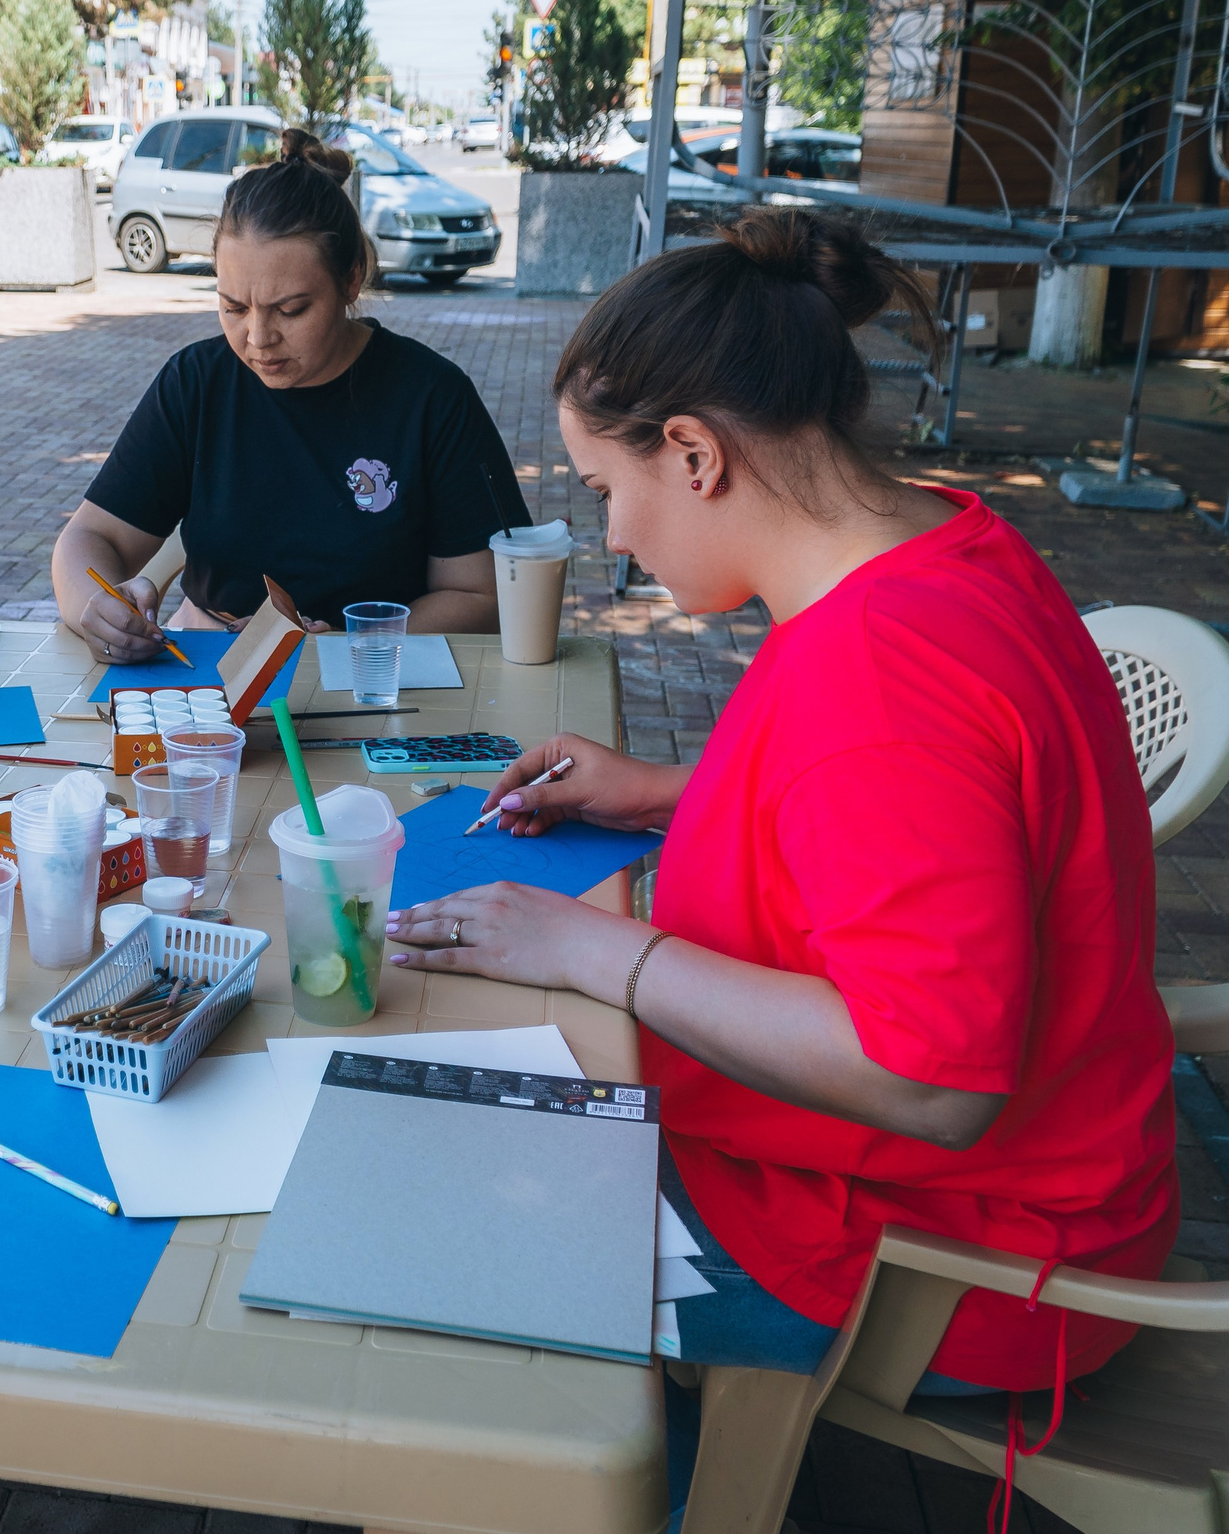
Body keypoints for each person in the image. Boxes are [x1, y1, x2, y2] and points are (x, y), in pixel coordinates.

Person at [383, 211, 1176, 1491]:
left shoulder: (877, 678)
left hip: (957, 1257)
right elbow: (912, 815)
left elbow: (931, 1079)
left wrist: (601, 953)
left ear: (693, 453)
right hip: (1025, 1186)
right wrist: (660, 793)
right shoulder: (937, 547)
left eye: (606, 493)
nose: (616, 540)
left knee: (430, 1254)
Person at [52, 128, 521, 660]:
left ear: (351, 280)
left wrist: (348, 644)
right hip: (212, 673)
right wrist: (99, 607)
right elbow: (89, 539)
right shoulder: (197, 383)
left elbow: (483, 596)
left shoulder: (432, 399)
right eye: (233, 306)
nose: (257, 339)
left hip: (379, 681)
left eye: (291, 310)